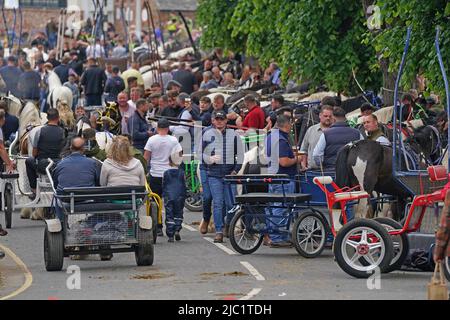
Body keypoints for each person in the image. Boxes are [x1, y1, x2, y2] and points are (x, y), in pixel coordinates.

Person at [202, 110, 244, 243]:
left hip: (229, 175)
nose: (219, 121)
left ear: (226, 121)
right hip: (214, 175)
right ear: (213, 121)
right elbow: (200, 155)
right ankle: (219, 231)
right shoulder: (207, 135)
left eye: (222, 119)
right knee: (218, 203)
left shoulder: (234, 135)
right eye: (217, 119)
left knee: (231, 204)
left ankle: (228, 226)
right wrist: (209, 158)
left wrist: (235, 170)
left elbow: (241, 155)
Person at [144, 118, 184, 240]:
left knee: (155, 200)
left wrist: (145, 171)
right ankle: (173, 227)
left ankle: (158, 226)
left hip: (155, 174)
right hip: (170, 174)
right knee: (170, 201)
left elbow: (146, 157)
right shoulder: (173, 140)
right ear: (167, 128)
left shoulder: (151, 140)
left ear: (157, 128)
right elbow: (179, 156)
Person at [265, 115, 301, 247]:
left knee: (274, 206)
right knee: (281, 207)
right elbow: (284, 162)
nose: (291, 127)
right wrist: (297, 159)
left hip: (273, 176)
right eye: (291, 125)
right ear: (287, 125)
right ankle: (278, 237)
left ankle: (273, 234)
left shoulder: (270, 136)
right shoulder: (281, 139)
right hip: (283, 178)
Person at [52, 137, 101, 220]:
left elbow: (55, 183)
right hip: (87, 198)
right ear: (84, 149)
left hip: (66, 199)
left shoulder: (60, 164)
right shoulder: (93, 163)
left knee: (56, 196)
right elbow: (98, 182)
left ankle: (60, 222)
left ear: (71, 148)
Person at [26, 108, 65, 199]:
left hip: (42, 165)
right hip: (57, 165)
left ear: (47, 118)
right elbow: (63, 149)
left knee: (29, 161)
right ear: (58, 118)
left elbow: (34, 153)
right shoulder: (62, 132)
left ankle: (34, 191)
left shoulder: (39, 131)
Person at [299, 105, 334, 170]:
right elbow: (304, 150)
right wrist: (303, 166)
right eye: (325, 116)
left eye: (330, 116)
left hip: (331, 171)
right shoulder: (311, 130)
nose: (328, 118)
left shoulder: (335, 131)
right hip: (312, 171)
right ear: (320, 115)